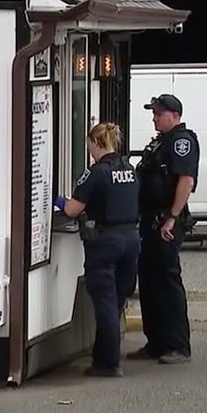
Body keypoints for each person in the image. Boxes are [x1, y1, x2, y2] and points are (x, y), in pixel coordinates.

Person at [54, 122, 141, 378]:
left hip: (106, 242)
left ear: (95, 143)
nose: (89, 150)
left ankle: (108, 363)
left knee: (104, 303)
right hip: (131, 239)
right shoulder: (130, 170)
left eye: (89, 144)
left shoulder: (96, 173)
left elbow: (72, 210)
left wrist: (56, 199)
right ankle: (102, 356)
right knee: (115, 302)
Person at [132, 94, 200, 365]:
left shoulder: (182, 142)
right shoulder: (162, 142)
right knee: (149, 281)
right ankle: (156, 342)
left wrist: (172, 216)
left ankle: (177, 345)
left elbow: (186, 181)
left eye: (158, 114)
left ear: (174, 114)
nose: (154, 118)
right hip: (149, 220)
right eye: (154, 113)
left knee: (168, 282)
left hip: (166, 221)